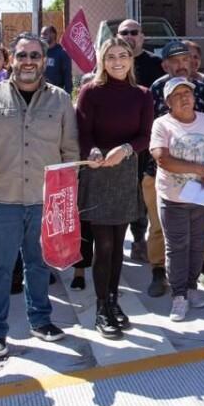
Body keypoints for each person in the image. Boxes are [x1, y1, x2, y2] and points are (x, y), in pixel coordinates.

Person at [0, 33, 79, 359]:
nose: (28, 61)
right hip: (2, 198)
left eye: (35, 55)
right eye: (22, 55)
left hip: (43, 199)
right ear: (11, 59)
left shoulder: (59, 100)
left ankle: (40, 321)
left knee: (39, 265)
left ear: (44, 61)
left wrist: (66, 195)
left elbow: (70, 150)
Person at [74, 37, 152, 339]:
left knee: (117, 245)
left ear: (131, 59)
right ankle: (101, 309)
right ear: (102, 60)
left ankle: (112, 302)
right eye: (111, 56)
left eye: (123, 55)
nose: (117, 61)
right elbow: (82, 133)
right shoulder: (90, 92)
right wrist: (91, 151)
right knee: (103, 245)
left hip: (125, 172)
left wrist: (126, 150)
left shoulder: (142, 95)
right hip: (97, 173)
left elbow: (146, 136)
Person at [149, 78, 204, 321]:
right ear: (168, 102)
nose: (185, 98)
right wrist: (200, 169)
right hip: (173, 197)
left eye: (188, 93)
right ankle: (179, 296)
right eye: (178, 94)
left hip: (201, 195)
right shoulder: (162, 124)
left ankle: (192, 288)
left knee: (197, 244)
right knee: (176, 246)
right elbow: (162, 159)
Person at [145, 41, 204, 297]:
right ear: (165, 65)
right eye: (174, 61)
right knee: (159, 226)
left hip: (200, 173)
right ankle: (158, 271)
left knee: (201, 230)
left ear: (192, 62)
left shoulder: (203, 89)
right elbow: (151, 129)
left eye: (184, 60)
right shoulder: (156, 89)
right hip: (160, 173)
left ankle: (201, 268)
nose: (180, 65)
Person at [115, 18, 163, 260]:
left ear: (142, 36)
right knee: (122, 192)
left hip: (149, 140)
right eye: (124, 32)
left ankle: (141, 239)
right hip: (118, 142)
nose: (129, 36)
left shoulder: (156, 64)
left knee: (144, 193)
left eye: (134, 32)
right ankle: (120, 241)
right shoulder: (112, 64)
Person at [40, 24, 73, 94]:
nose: (42, 37)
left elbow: (67, 76)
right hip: (40, 92)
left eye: (45, 34)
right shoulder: (40, 52)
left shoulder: (62, 53)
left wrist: (68, 94)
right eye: (41, 34)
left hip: (55, 93)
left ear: (53, 35)